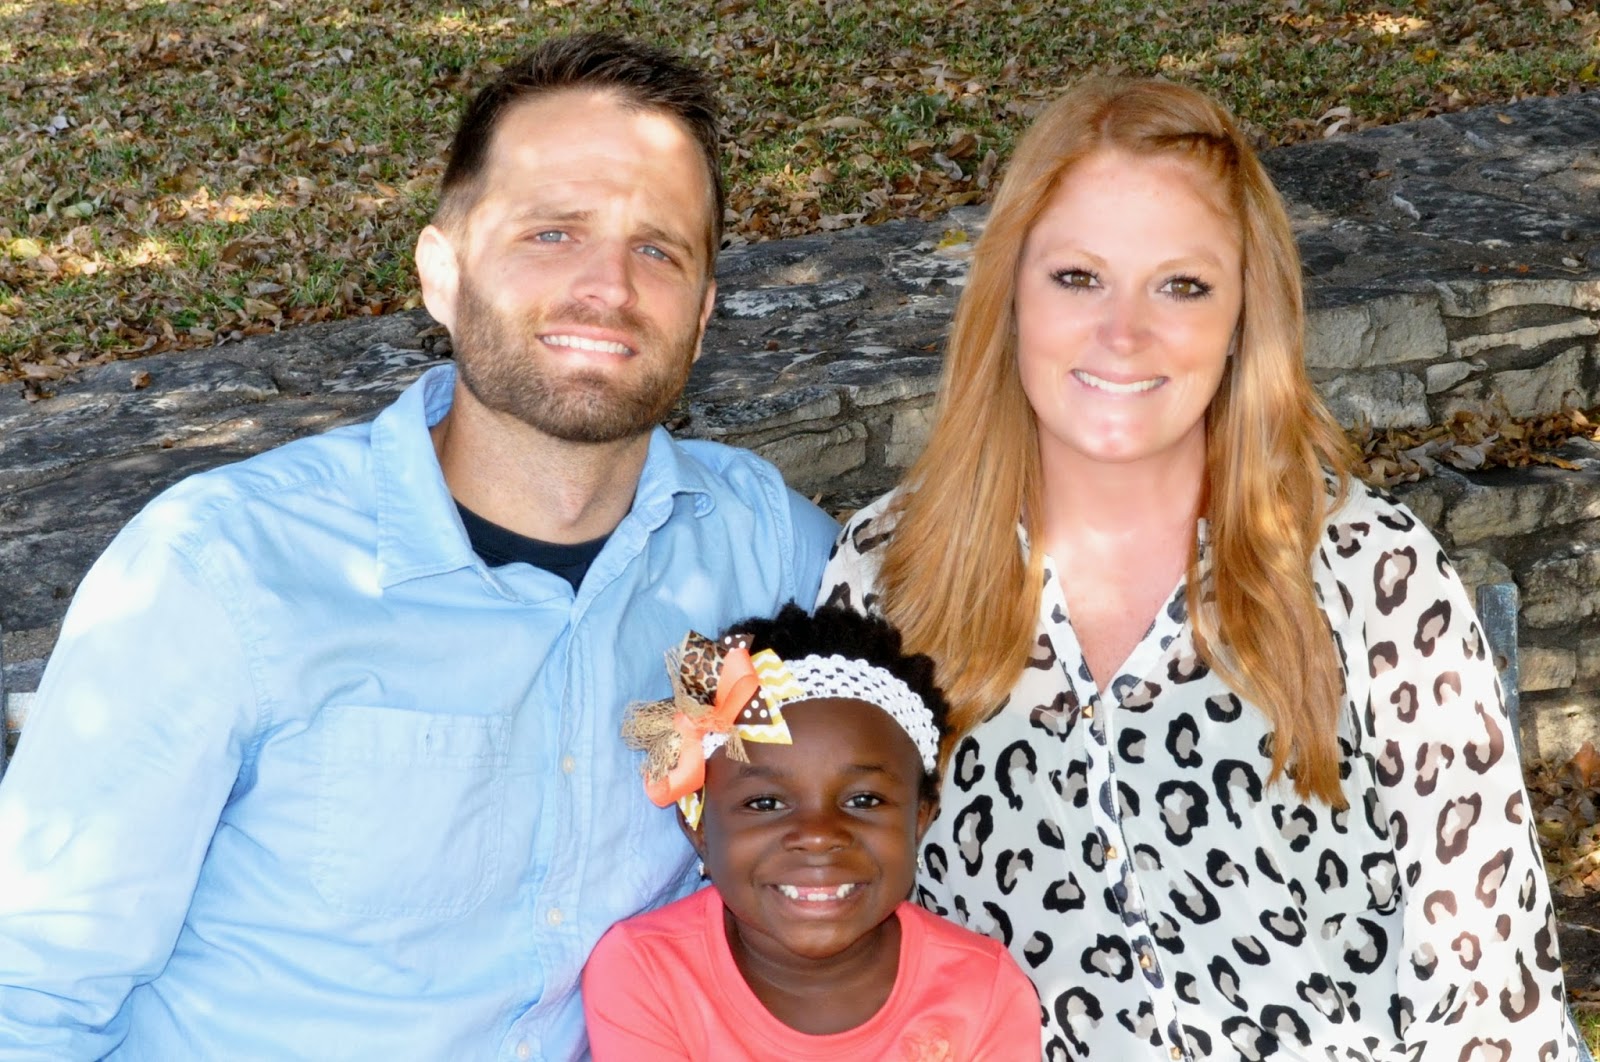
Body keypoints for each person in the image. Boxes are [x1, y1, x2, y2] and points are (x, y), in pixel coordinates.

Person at [0, 32, 837, 1061]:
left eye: (658, 250)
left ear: (704, 316)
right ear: (442, 273)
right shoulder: (224, 572)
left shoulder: (762, 546)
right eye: (551, 233)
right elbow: (28, 991)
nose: (609, 288)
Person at [819, 77, 1579, 1060]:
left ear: (1244, 314)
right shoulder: (890, 572)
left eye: (1182, 285)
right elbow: (826, 943)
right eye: (1077, 277)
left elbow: (1492, 994)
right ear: (1008, 293)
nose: (1123, 333)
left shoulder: (1367, 567)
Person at [582, 602, 1042, 1060]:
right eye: (765, 803)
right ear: (699, 828)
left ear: (919, 819)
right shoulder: (646, 973)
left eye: (864, 800)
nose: (819, 835)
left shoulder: (984, 994)